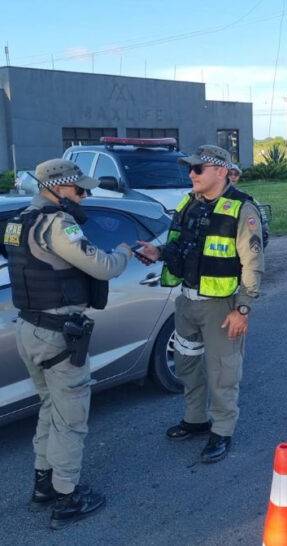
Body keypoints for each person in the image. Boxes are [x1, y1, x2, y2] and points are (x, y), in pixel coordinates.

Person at [1, 159, 131, 529]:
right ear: (57, 187)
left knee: (49, 407)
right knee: (71, 418)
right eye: (79, 190)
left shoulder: (18, 222)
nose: (84, 196)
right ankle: (67, 495)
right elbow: (103, 267)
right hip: (58, 333)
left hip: (29, 328)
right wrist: (122, 251)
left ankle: (44, 482)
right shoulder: (58, 224)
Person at [136, 145, 264, 463]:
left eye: (197, 169)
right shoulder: (189, 203)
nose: (190, 174)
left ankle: (222, 430)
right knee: (187, 365)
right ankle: (196, 420)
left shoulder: (242, 209)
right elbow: (181, 245)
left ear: (220, 171)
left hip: (221, 307)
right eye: (189, 169)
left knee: (223, 371)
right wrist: (159, 253)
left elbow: (253, 263)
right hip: (187, 303)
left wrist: (242, 308)